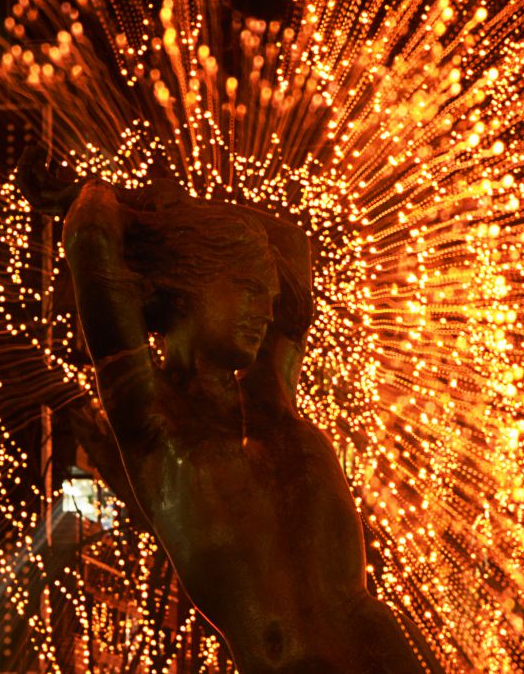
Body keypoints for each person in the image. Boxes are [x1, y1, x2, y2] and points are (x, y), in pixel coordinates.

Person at [56, 175, 440, 673]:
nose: (264, 312)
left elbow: (290, 241)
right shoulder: (153, 420)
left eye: (268, 295)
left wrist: (180, 208)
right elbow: (90, 234)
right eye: (249, 290)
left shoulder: (272, 401)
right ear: (189, 282)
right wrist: (130, 209)